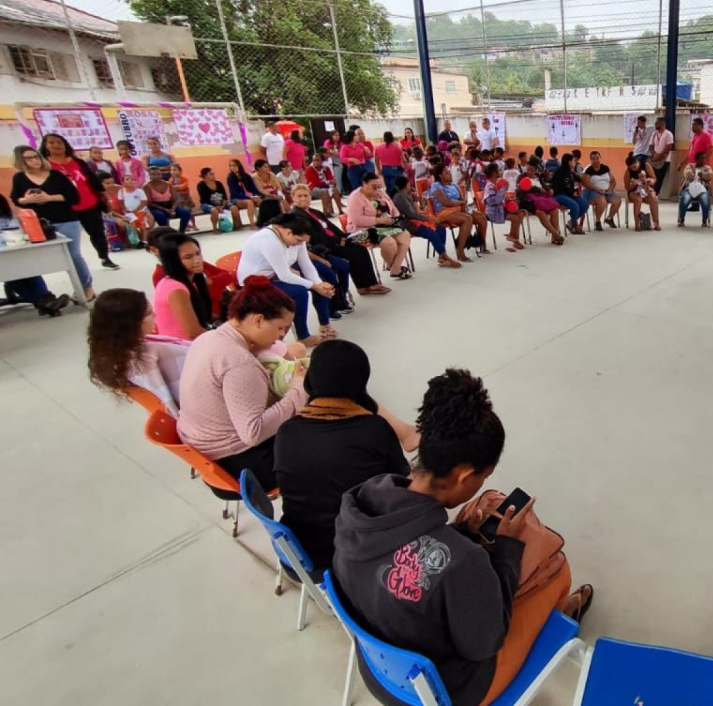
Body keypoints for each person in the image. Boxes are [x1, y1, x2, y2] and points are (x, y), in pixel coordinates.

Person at [332, 368, 593, 706]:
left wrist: (460, 532)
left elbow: (403, 546)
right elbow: (485, 643)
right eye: (483, 477)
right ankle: (561, 615)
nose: (481, 484)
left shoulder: (359, 502)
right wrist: (506, 548)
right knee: (556, 572)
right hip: (444, 691)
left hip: (378, 669)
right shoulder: (463, 562)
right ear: (465, 475)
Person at [274, 339, 417, 570]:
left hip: (301, 554)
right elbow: (402, 487)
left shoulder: (287, 431)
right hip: (360, 558)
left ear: (311, 379)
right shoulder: (375, 430)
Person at [177, 277, 307, 489]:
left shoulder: (209, 338)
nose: (281, 336)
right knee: (329, 446)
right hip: (239, 463)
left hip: (205, 453)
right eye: (280, 328)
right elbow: (253, 433)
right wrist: (298, 389)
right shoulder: (239, 362)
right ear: (258, 320)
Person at [10, 145, 96, 301]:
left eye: (36, 156)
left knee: (73, 255)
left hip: (65, 219)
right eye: (29, 158)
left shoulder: (56, 175)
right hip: (38, 223)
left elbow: (74, 197)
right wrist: (27, 200)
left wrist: (49, 197)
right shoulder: (19, 178)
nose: (34, 160)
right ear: (21, 161)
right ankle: (41, 295)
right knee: (39, 258)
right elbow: (16, 199)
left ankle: (86, 287)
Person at [238, 213, 338, 345]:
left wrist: (319, 284)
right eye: (299, 241)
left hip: (274, 276)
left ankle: (325, 324)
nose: (300, 244)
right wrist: (315, 286)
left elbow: (306, 264)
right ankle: (303, 336)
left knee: (322, 283)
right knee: (300, 292)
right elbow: (284, 275)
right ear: (289, 233)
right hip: (255, 283)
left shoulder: (296, 237)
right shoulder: (269, 240)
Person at [87, 288, 191, 414]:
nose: (155, 314)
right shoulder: (149, 356)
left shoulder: (117, 355)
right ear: (130, 323)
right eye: (149, 313)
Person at [292, 183, 390, 296]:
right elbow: (315, 236)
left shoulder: (315, 212)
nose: (303, 198)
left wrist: (344, 236)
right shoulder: (296, 215)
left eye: (306, 195)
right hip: (322, 247)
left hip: (334, 241)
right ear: (293, 197)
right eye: (299, 196)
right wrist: (338, 240)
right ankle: (363, 286)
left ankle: (369, 284)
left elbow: (331, 227)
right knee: (354, 253)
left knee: (360, 248)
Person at [40, 133, 119, 270]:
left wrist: (104, 196)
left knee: (97, 232)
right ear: (45, 146)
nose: (56, 145)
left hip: (89, 203)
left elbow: (92, 180)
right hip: (65, 207)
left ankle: (104, 257)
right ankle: (71, 263)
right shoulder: (44, 165)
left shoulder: (78, 162)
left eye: (59, 142)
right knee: (68, 237)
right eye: (51, 142)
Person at [0, 195, 71, 317]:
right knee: (15, 275)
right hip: (6, 259)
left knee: (29, 271)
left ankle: (46, 301)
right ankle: (45, 302)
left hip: (14, 253)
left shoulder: (10, 218)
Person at [343, 173, 419, 278]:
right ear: (364, 184)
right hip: (363, 229)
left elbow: (393, 208)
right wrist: (379, 220)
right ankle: (393, 266)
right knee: (389, 243)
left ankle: (395, 268)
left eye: (378, 186)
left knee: (405, 235)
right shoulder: (355, 197)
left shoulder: (380, 193)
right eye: (373, 186)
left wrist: (395, 218)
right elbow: (357, 220)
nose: (376, 188)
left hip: (384, 224)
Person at [389, 174, 460, 269]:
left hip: (417, 221)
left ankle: (442, 256)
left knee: (441, 229)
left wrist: (415, 200)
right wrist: (427, 219)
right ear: (406, 185)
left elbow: (417, 210)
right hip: (410, 225)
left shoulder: (405, 195)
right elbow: (411, 214)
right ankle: (444, 256)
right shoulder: (400, 197)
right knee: (432, 234)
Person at [153, 232, 213, 340]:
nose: (197, 260)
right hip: (183, 347)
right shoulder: (175, 288)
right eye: (188, 257)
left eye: (198, 253)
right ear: (173, 261)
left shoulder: (189, 282)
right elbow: (194, 332)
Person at [430, 164, 487, 261]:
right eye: (446, 173)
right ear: (440, 175)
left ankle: (480, 244)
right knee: (467, 219)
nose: (450, 174)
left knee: (482, 217)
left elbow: (463, 199)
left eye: (449, 172)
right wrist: (460, 203)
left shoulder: (454, 185)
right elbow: (446, 202)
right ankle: (460, 251)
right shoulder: (436, 186)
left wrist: (463, 207)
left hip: (458, 209)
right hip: (443, 212)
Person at [481, 163, 525, 252]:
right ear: (494, 173)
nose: (500, 172)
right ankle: (514, 238)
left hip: (501, 209)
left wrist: (509, 200)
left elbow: (501, 198)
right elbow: (494, 201)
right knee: (515, 218)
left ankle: (513, 237)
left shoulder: (496, 183)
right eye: (498, 170)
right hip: (494, 212)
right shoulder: (489, 186)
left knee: (520, 213)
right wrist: (504, 189)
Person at [144, 167, 193, 232]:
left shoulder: (168, 184)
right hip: (156, 207)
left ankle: (181, 232)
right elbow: (149, 203)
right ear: (149, 175)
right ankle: (168, 233)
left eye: (158, 174)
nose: (156, 176)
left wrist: (172, 209)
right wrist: (165, 210)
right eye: (153, 174)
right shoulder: (147, 186)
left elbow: (175, 199)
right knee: (160, 215)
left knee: (186, 213)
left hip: (169, 205)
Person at [581, 151, 621, 231]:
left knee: (617, 200)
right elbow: (585, 183)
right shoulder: (588, 169)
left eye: (597, 158)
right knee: (602, 202)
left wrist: (610, 189)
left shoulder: (605, 168)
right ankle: (598, 221)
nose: (595, 160)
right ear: (590, 160)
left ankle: (609, 218)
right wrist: (598, 189)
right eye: (593, 159)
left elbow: (613, 181)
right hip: (594, 190)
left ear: (600, 158)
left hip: (607, 191)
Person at [550, 153, 589, 234]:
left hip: (569, 195)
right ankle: (575, 226)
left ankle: (571, 222)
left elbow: (580, 179)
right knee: (575, 206)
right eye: (573, 161)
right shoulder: (560, 172)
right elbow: (560, 186)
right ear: (569, 162)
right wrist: (571, 193)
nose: (575, 162)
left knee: (584, 204)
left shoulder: (570, 172)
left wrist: (573, 171)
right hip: (559, 195)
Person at [677, 151, 713, 228]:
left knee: (705, 199)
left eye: (704, 158)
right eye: (702, 158)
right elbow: (687, 174)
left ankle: (704, 220)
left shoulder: (707, 168)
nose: (704, 160)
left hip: (702, 190)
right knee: (685, 198)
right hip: (689, 189)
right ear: (696, 159)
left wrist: (702, 175)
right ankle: (682, 219)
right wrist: (695, 174)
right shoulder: (690, 166)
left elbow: (710, 175)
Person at [625, 156, 660, 231]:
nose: (634, 168)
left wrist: (649, 181)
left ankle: (656, 223)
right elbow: (627, 187)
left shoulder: (646, 165)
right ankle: (637, 224)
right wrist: (633, 185)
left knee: (653, 199)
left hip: (647, 188)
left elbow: (654, 178)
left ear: (638, 162)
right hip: (634, 190)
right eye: (632, 167)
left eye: (635, 166)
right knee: (638, 199)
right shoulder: (628, 171)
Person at [196, 167, 236, 231]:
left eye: (213, 174)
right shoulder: (201, 185)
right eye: (211, 174)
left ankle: (237, 225)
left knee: (234, 207)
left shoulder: (219, 183)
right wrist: (217, 207)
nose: (213, 175)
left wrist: (222, 205)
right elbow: (205, 199)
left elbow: (224, 196)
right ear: (205, 176)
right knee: (214, 210)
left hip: (221, 203)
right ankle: (215, 228)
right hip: (207, 204)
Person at [305, 151, 342, 216]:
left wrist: (331, 183)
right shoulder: (309, 169)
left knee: (335, 190)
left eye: (317, 160)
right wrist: (328, 182)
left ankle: (340, 210)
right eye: (314, 160)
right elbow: (315, 182)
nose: (315, 162)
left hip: (324, 186)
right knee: (325, 191)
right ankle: (325, 213)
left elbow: (330, 178)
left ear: (322, 161)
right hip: (313, 187)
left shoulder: (326, 168)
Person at [226, 159, 261, 226]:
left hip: (249, 196)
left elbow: (254, 188)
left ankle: (262, 220)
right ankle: (252, 223)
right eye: (230, 166)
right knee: (250, 202)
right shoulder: (230, 178)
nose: (232, 167)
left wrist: (255, 195)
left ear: (239, 165)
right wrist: (249, 197)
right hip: (236, 198)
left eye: (234, 165)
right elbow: (234, 193)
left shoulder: (246, 176)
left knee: (260, 201)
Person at [649, 116, 675, 196]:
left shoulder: (668, 134)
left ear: (663, 124)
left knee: (659, 178)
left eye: (657, 123)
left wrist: (659, 156)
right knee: (652, 177)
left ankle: (655, 195)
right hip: (655, 159)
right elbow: (650, 145)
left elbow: (669, 147)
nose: (655, 124)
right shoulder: (654, 133)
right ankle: (650, 193)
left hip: (664, 159)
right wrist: (654, 154)